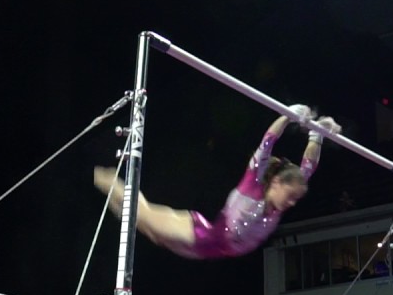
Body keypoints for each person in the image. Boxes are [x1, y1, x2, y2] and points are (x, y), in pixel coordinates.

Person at [92, 106, 336, 259]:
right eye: (291, 195)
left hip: (206, 250)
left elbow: (308, 166)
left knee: (142, 226)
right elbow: (267, 142)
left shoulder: (285, 194)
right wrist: (286, 117)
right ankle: (98, 176)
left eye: (296, 199)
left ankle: (105, 183)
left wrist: (317, 136)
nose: (293, 202)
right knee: (139, 213)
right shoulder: (253, 186)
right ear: (277, 184)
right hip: (200, 235)